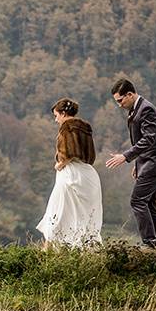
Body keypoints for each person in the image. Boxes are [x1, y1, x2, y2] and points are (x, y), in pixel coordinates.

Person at [105, 79, 156, 253]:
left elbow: (149, 139)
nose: (119, 105)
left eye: (121, 100)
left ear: (130, 94)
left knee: (138, 201)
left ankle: (149, 245)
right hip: (147, 163)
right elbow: (145, 140)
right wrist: (137, 163)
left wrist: (125, 156)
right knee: (148, 204)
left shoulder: (146, 109)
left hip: (154, 163)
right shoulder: (136, 108)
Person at [36, 98, 103, 248]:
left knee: (57, 212)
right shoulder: (86, 128)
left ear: (64, 113)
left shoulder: (67, 127)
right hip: (87, 174)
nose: (56, 120)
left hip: (71, 175)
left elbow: (70, 152)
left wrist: (60, 164)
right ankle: (81, 248)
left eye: (56, 115)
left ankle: (48, 250)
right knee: (83, 215)